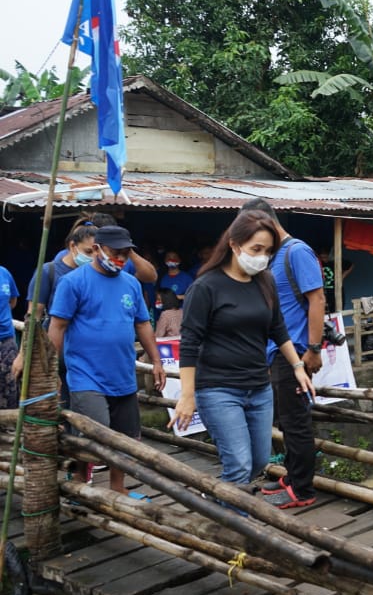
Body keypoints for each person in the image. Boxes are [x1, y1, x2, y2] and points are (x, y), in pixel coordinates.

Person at [170, 211, 315, 495]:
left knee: (259, 461)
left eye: (268, 251)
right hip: (219, 389)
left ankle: (216, 496)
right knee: (238, 464)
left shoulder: (266, 281)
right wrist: (187, 396)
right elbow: (188, 344)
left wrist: (297, 366)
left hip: (259, 388)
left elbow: (278, 328)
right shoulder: (205, 287)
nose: (262, 257)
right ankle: (236, 530)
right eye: (256, 249)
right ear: (234, 245)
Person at [48, 225, 167, 493]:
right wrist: (52, 371)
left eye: (126, 253)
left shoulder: (131, 283)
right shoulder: (74, 282)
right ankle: (79, 480)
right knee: (94, 432)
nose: (121, 259)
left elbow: (143, 324)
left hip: (123, 373)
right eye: (116, 253)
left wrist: (157, 360)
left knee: (126, 438)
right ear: (97, 249)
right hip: (85, 373)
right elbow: (57, 327)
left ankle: (118, 487)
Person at [239, 198, 325, 510]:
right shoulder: (274, 257)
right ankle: (292, 476)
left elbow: (316, 299)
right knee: (287, 422)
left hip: (296, 354)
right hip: (278, 353)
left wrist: (314, 349)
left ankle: (302, 489)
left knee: (296, 421)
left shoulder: (296, 251)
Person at [11, 226, 99, 405]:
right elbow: (32, 316)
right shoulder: (48, 272)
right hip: (55, 351)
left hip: (87, 354)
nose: (92, 257)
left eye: (96, 252)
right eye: (87, 251)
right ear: (73, 246)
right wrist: (23, 355)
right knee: (56, 404)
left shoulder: (96, 274)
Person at [0, 265, 19, 410]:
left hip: (7, 339)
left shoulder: (4, 272)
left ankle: (8, 427)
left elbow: (13, 300)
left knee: (10, 384)